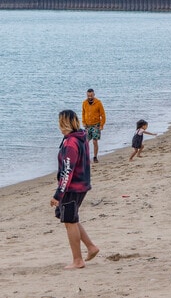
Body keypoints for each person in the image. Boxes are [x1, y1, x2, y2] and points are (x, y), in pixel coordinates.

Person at [50, 110, 100, 269]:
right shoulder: (80, 136)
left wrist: (58, 194)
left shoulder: (71, 142)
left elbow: (67, 171)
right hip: (81, 184)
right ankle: (91, 247)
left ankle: (78, 260)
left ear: (62, 123)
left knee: (70, 221)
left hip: (73, 187)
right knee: (70, 218)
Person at [81, 88, 106, 163]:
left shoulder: (98, 103)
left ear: (94, 95)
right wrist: (83, 122)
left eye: (91, 95)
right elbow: (83, 113)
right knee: (86, 142)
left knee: (95, 142)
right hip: (87, 125)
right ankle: (86, 157)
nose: (90, 97)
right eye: (88, 95)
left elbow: (103, 115)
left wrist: (101, 125)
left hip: (96, 125)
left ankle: (95, 157)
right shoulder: (84, 103)